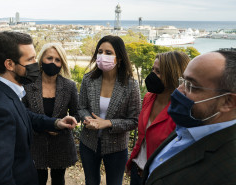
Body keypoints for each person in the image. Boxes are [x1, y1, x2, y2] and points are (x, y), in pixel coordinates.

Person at [0, 31, 77, 185]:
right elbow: (0, 176)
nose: (36, 64)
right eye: (30, 59)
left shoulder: (6, 92)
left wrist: (56, 123)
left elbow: (24, 116)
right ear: (9, 64)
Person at [142, 50, 236, 185]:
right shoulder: (190, 123)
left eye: (191, 86)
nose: (179, 90)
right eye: (183, 81)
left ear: (227, 102)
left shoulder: (228, 172)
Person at [78, 35, 141, 185]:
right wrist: (88, 119)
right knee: (91, 182)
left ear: (119, 58)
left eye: (108, 53)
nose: (102, 56)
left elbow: (134, 120)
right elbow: (81, 108)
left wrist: (107, 123)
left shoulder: (131, 85)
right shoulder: (88, 80)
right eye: (100, 51)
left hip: (116, 147)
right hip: (88, 143)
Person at [125, 51, 190, 185]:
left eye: (158, 72)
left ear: (173, 75)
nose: (152, 75)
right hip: (137, 171)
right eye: (152, 70)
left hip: (159, 177)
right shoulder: (149, 98)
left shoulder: (182, 110)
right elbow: (142, 137)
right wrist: (131, 161)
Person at [22, 43, 78, 185]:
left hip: (60, 143)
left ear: (62, 63)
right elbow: (23, 112)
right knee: (37, 180)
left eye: (57, 60)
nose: (53, 62)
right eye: (49, 58)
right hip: (35, 143)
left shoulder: (69, 86)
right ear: (41, 60)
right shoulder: (27, 84)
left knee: (58, 180)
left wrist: (68, 123)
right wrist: (49, 125)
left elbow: (76, 113)